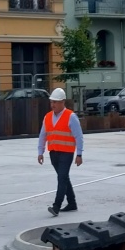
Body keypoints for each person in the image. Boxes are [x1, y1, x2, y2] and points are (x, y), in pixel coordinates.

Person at [37, 88, 83, 216]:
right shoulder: (47, 117)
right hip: (54, 153)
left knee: (61, 178)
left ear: (63, 102)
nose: (53, 105)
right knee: (64, 178)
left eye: (55, 102)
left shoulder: (71, 116)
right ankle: (72, 203)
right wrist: (40, 152)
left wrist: (79, 154)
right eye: (51, 102)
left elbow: (79, 136)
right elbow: (43, 135)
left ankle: (56, 206)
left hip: (66, 153)